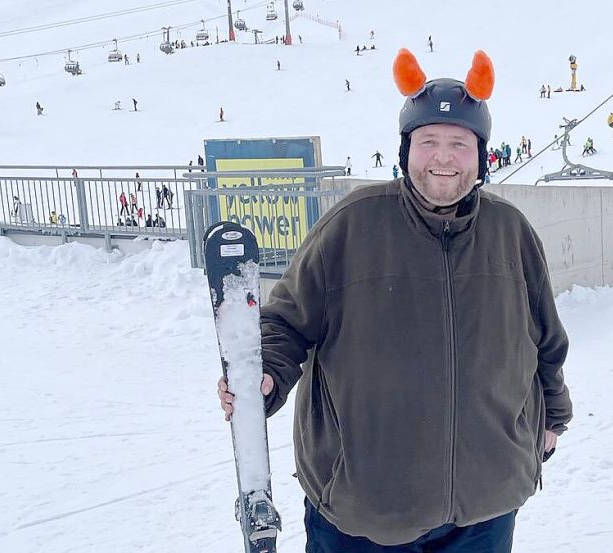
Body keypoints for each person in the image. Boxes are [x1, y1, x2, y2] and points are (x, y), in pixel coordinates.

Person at [217, 48, 572, 552]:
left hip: (486, 506)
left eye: (459, 144)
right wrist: (265, 378)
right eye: (428, 141)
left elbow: (546, 340)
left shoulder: (509, 232)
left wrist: (553, 418)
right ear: (405, 150)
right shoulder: (353, 224)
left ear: (482, 155)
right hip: (367, 510)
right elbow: (286, 322)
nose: (444, 158)